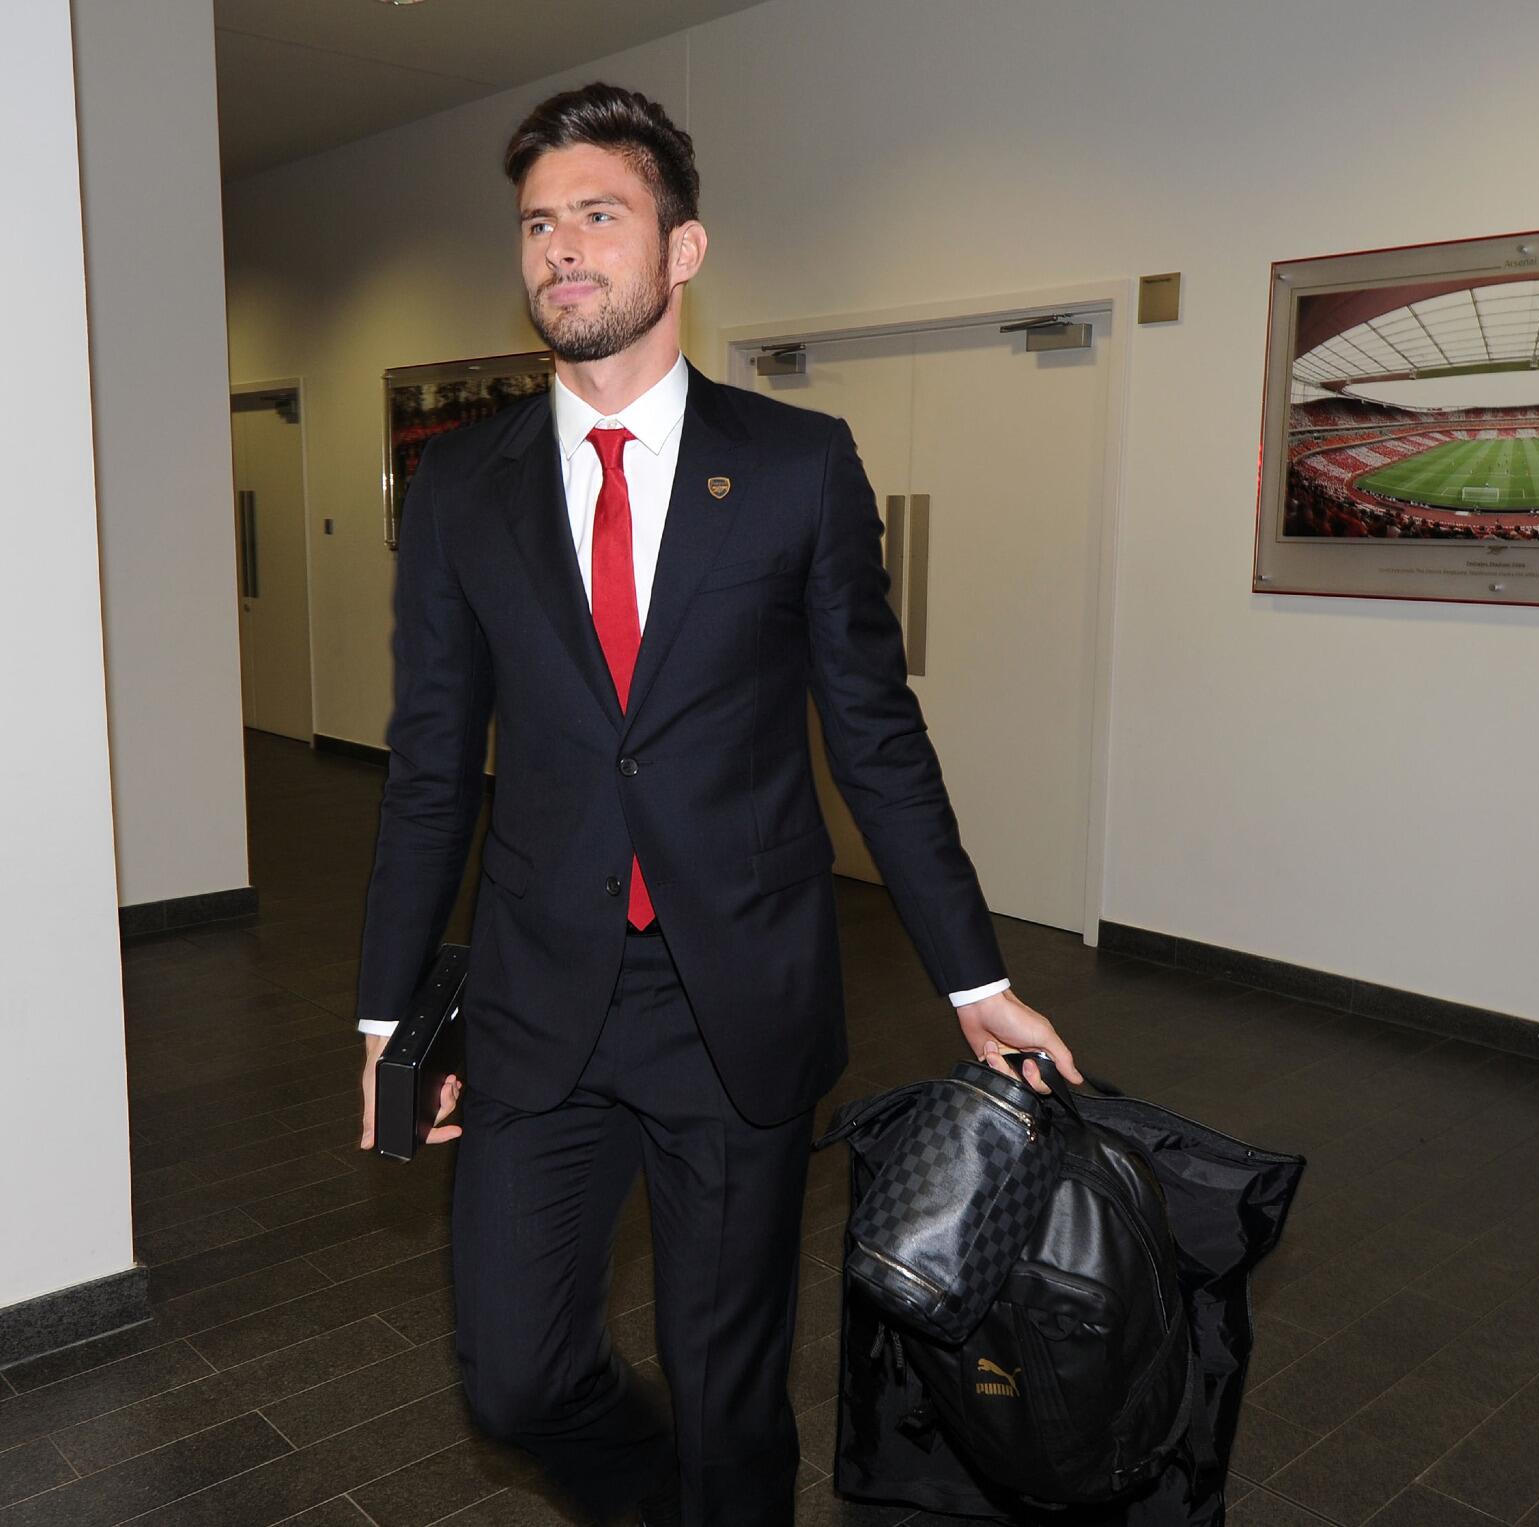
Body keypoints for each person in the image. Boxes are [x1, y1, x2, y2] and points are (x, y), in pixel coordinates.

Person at [351, 82, 1080, 1526]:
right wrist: (388, 1020)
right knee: (511, 1377)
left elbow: (878, 738)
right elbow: (432, 759)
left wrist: (973, 974)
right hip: (535, 997)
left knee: (729, 1384)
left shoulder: (798, 468)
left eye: (599, 216)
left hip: (733, 999)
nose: (562, 248)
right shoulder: (461, 489)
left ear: (682, 249)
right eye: (540, 224)